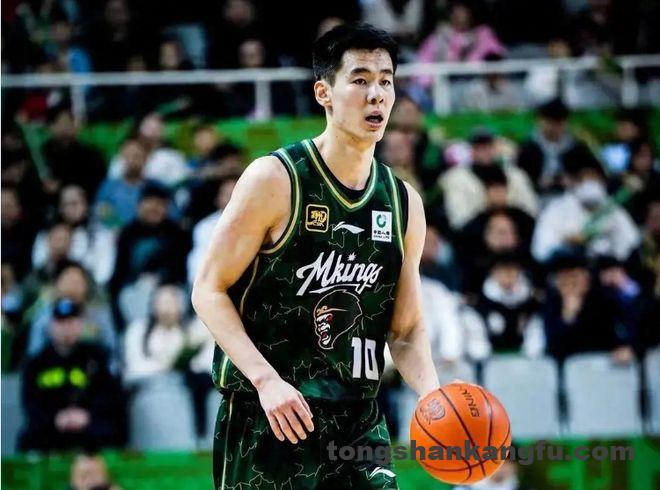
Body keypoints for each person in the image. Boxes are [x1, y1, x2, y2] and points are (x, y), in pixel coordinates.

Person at [192, 24, 440, 489]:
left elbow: (405, 330)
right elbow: (208, 289)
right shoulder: (274, 179)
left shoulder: (403, 202)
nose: (376, 94)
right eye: (360, 79)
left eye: (386, 81)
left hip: (358, 421)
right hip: (272, 415)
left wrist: (432, 398)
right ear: (323, 93)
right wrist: (265, 380)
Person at [20, 298, 123, 452]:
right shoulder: (36, 363)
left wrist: (86, 416)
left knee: (109, 430)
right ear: (50, 325)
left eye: (71, 321)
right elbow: (31, 404)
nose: (66, 328)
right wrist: (56, 418)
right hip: (50, 429)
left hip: (90, 427)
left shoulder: (97, 356)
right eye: (61, 322)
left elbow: (111, 396)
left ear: (81, 324)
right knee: (31, 436)